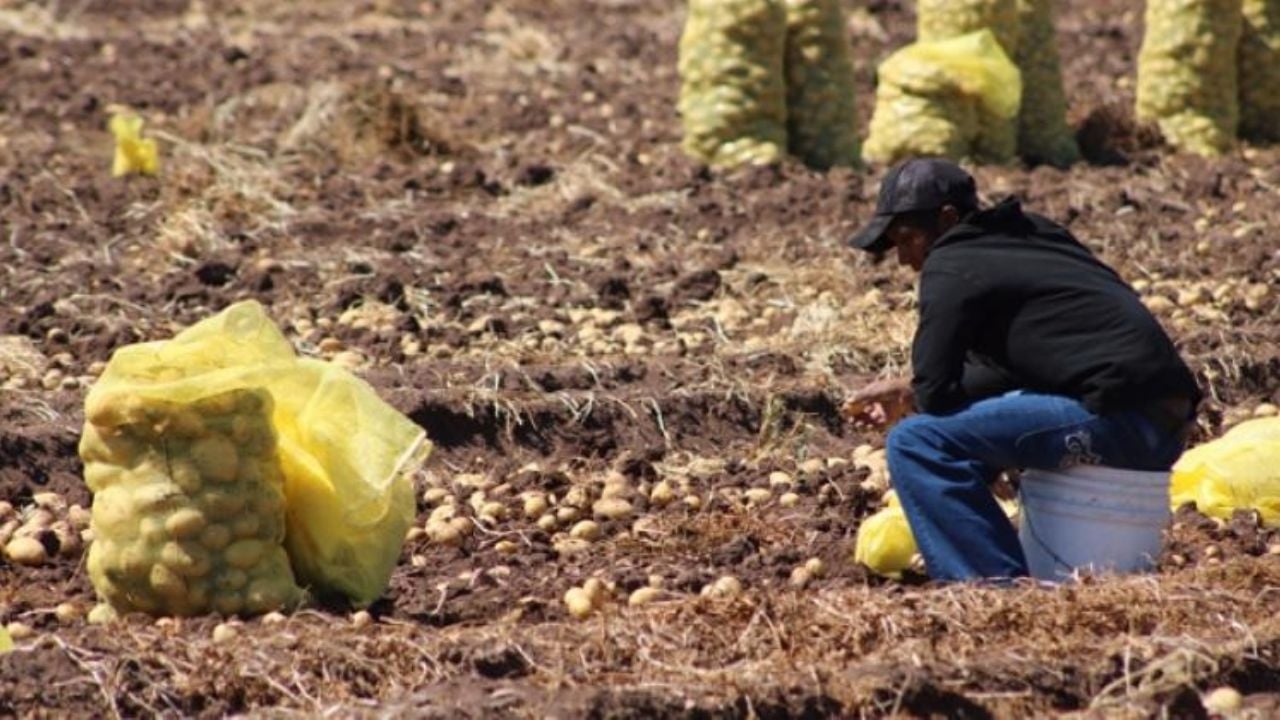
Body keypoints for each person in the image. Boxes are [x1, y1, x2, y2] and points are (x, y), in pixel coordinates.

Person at [843, 158, 1200, 582]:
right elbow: (1013, 367)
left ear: (948, 219)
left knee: (915, 443)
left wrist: (916, 396)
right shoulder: (1034, 233)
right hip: (1164, 420)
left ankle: (990, 592)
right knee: (979, 420)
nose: (905, 259)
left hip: (1121, 420)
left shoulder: (950, 261)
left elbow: (936, 393)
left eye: (908, 238)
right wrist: (909, 391)